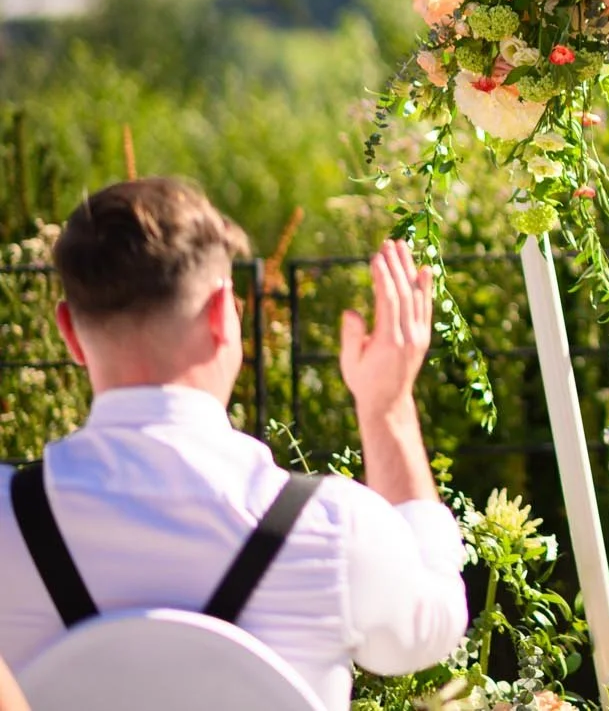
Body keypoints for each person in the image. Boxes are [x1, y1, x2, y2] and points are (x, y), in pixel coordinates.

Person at [0, 179, 468, 709]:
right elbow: (435, 625)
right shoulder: (333, 530)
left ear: (69, 333)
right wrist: (388, 408)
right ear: (225, 314)